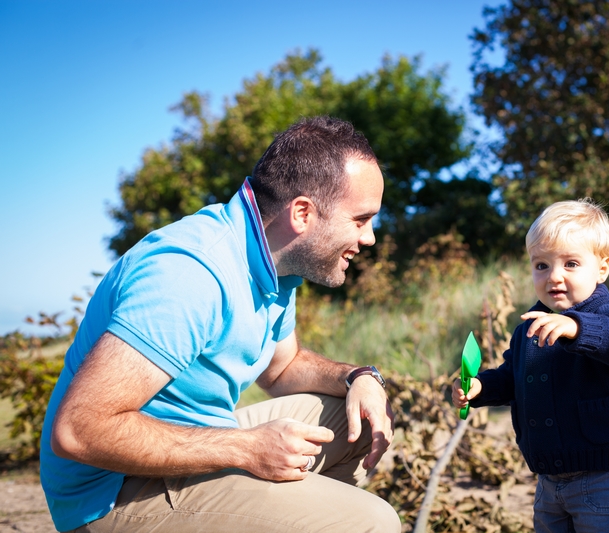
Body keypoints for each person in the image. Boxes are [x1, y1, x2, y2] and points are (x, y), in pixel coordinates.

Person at [40, 116, 401, 533]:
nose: (371, 237)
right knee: (374, 522)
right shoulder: (188, 275)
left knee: (351, 417)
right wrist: (246, 448)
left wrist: (359, 377)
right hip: (115, 492)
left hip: (193, 444)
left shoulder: (274, 259)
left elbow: (282, 370)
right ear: (302, 212)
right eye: (360, 219)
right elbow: (79, 431)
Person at [452, 199, 609, 533]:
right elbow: (513, 377)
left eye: (571, 264)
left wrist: (577, 328)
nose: (554, 276)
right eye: (541, 265)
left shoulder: (607, 314)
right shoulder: (529, 327)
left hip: (602, 475)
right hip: (548, 479)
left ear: (602, 268)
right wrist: (481, 388)